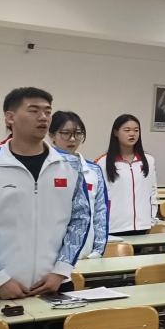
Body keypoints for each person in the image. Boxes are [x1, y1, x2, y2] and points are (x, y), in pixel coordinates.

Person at [0, 87, 88, 299]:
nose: (43, 117)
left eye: (48, 111)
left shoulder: (70, 166)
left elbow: (80, 219)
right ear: (10, 118)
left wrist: (61, 271)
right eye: (33, 110)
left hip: (54, 285)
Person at [50, 111, 108, 259]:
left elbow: (100, 211)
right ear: (52, 135)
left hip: (85, 251)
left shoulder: (93, 169)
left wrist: (99, 249)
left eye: (78, 133)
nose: (72, 139)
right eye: (66, 133)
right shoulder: (44, 166)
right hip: (51, 252)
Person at [96, 115, 157, 236]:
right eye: (127, 130)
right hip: (114, 226)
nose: (132, 134)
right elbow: (98, 196)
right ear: (116, 132)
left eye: (136, 130)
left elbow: (153, 191)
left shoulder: (149, 160)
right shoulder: (102, 162)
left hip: (142, 225)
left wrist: (152, 218)